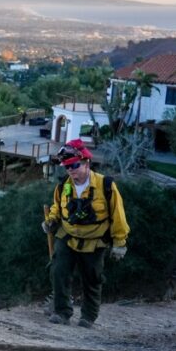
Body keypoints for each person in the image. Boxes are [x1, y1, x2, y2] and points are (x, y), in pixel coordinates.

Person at [42, 139, 129, 328]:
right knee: (58, 271)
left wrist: (119, 243)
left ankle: (88, 317)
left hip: (94, 241)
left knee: (92, 278)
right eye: (67, 167)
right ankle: (61, 312)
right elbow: (58, 206)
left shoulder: (106, 186)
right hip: (68, 237)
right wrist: (52, 219)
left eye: (74, 165)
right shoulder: (64, 185)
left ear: (86, 163)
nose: (70, 170)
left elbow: (118, 215)